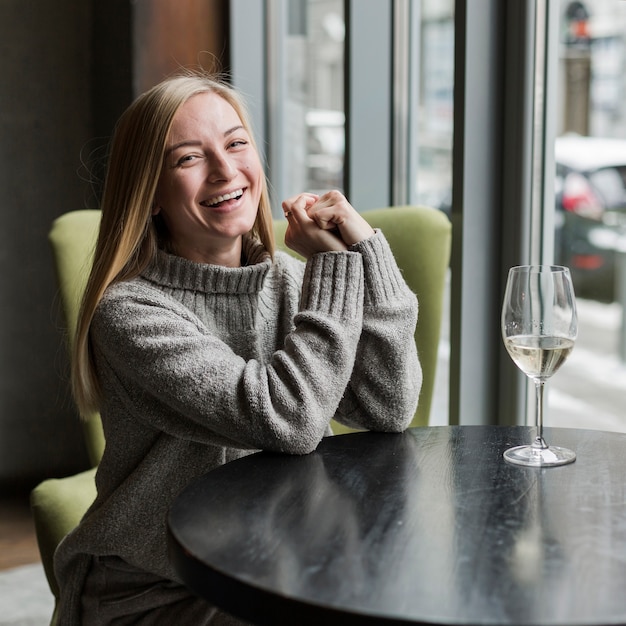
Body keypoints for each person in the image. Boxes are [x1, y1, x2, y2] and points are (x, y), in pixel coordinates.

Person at [54, 69, 422, 625]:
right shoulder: (130, 312)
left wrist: (369, 252)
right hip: (158, 589)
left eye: (236, 143)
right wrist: (333, 268)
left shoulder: (287, 282)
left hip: (271, 565)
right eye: (188, 158)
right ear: (149, 193)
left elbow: (387, 407)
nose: (226, 171)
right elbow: (286, 417)